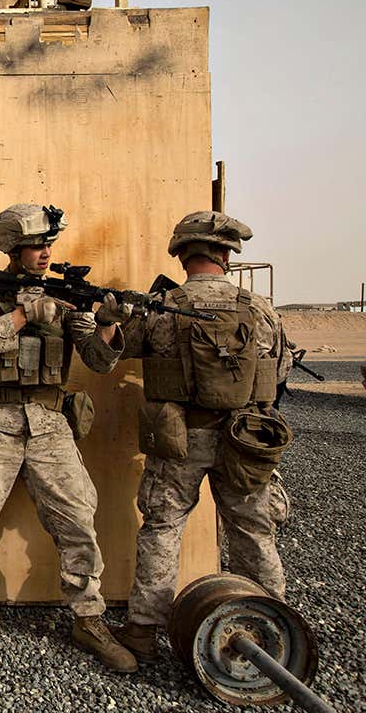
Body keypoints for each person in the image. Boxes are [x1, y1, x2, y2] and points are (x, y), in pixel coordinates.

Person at [0, 203, 137, 672]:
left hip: (50, 425)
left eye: (49, 244)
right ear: (12, 246)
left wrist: (106, 324)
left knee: (78, 519)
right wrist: (25, 316)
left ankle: (88, 618)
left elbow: (100, 362)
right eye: (36, 244)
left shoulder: (65, 296)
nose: (46, 252)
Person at [115, 211, 291, 662]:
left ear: (181, 255)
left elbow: (117, 348)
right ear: (226, 255)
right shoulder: (259, 309)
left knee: (163, 528)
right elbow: (280, 367)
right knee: (252, 528)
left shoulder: (161, 308)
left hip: (180, 438)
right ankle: (273, 623)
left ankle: (141, 633)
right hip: (243, 438)